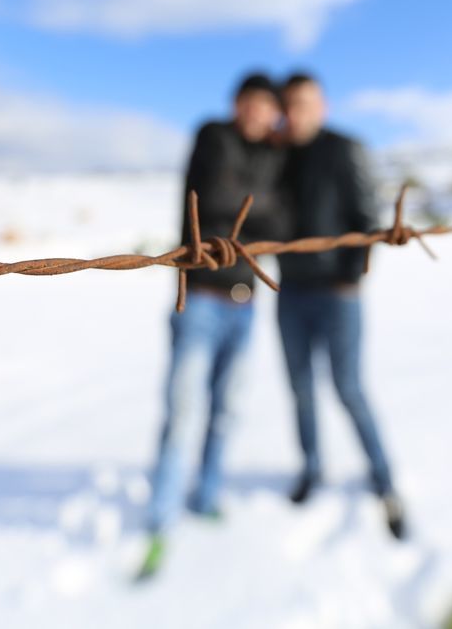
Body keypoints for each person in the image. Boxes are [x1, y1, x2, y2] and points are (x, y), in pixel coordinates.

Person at [139, 73, 290, 579]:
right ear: (236, 104)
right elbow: (221, 199)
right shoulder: (213, 136)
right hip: (199, 298)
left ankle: (205, 496)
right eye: (250, 103)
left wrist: (259, 214)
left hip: (246, 302)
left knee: (227, 408)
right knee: (182, 409)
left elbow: (284, 222)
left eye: (267, 106)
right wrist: (261, 213)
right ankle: (161, 514)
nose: (257, 113)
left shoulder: (275, 155)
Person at [276, 72, 407, 540]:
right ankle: (312, 469)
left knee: (349, 388)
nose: (296, 114)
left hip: (337, 293)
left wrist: (351, 277)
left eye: (305, 103)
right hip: (289, 291)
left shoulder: (344, 147)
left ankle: (384, 479)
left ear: (322, 106)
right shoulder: (278, 155)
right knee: (300, 389)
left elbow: (367, 217)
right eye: (289, 105)